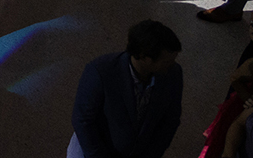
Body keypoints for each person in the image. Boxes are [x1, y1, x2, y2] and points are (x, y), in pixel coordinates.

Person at [68, 20, 182, 158]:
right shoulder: (100, 72)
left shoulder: (172, 74)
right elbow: (82, 121)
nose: (172, 65)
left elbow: (170, 120)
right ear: (144, 57)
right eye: (166, 62)